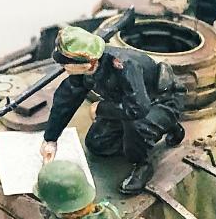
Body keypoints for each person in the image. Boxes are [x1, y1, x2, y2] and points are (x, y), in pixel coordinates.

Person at [39, 26, 186, 194]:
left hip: (160, 101)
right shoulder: (85, 70)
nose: (63, 67)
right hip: (126, 103)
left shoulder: (125, 66)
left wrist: (101, 108)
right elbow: (66, 99)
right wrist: (51, 139)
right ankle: (149, 134)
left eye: (66, 64)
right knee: (97, 143)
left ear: (89, 62)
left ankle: (142, 164)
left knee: (136, 126)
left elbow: (139, 108)